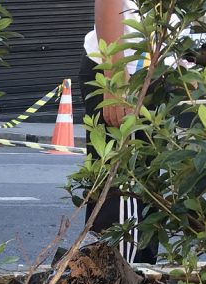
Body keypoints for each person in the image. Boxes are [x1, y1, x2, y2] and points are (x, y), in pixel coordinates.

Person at [78, 0, 159, 264]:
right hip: (126, 74)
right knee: (124, 200)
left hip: (143, 71)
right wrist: (115, 80)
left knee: (141, 195)